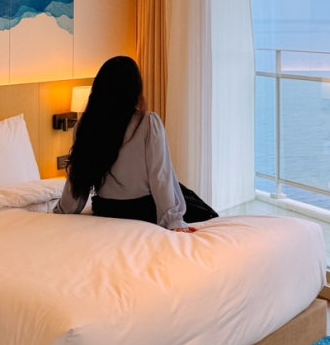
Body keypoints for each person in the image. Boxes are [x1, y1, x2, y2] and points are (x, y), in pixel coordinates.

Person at [54, 56, 218, 231]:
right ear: (135, 88)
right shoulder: (148, 123)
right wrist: (174, 221)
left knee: (183, 193)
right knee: (201, 209)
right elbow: (160, 177)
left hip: (105, 209)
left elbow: (78, 181)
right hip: (143, 209)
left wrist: (61, 213)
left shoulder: (85, 127)